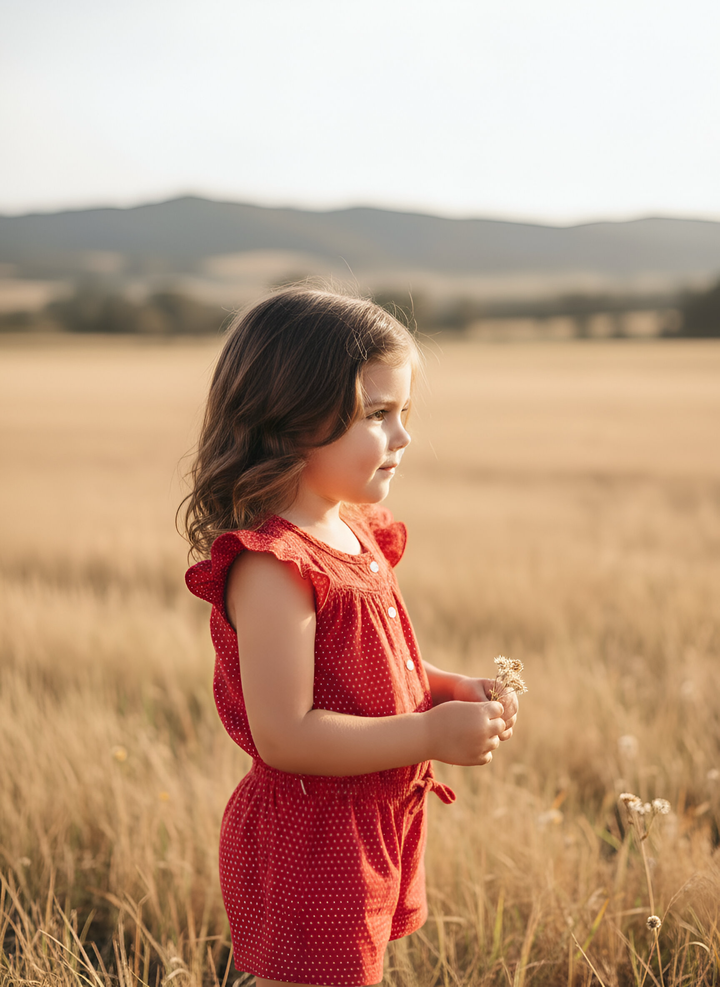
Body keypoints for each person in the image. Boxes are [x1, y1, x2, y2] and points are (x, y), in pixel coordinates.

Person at [182, 288, 519, 987]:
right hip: (313, 843)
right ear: (290, 417)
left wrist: (443, 687)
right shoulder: (275, 565)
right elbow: (288, 734)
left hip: (366, 825)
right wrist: (429, 736)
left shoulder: (353, 530)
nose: (403, 436)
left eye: (405, 413)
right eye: (377, 414)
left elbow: (364, 664)